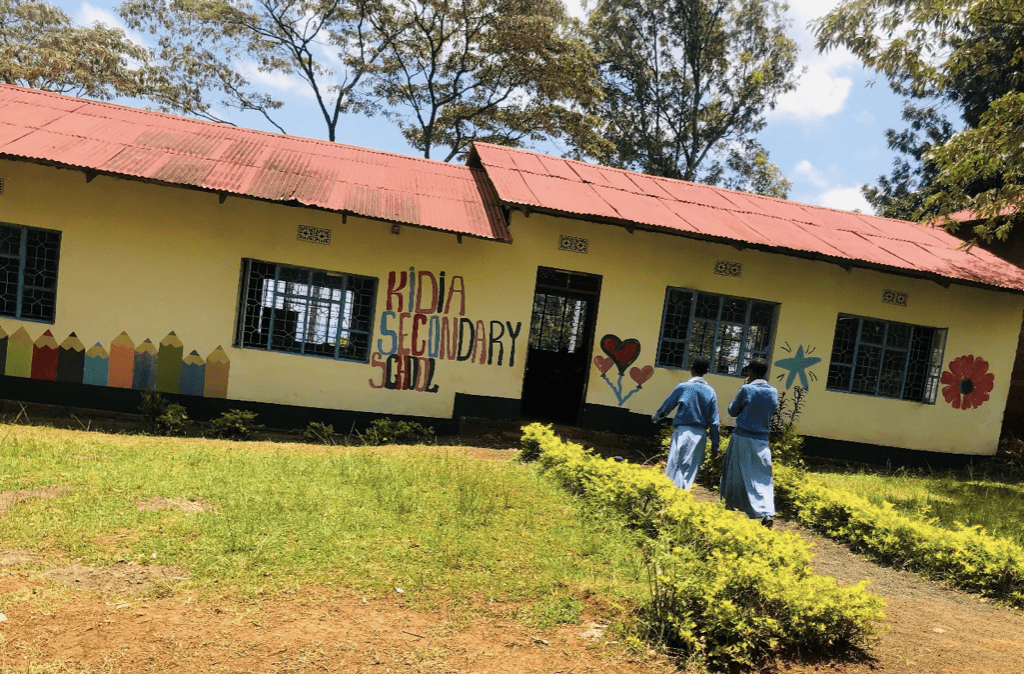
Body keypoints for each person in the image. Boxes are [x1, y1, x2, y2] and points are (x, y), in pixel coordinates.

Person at [720, 357, 779, 527]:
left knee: (735, 474)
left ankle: (730, 507)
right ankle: (766, 512)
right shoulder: (773, 391)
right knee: (763, 477)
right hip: (761, 440)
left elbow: (732, 411)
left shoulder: (746, 389)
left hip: (742, 437)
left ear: (750, 372)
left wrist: (743, 387)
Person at [652, 356, 720, 490]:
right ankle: (682, 496)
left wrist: (656, 417)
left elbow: (667, 406)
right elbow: (714, 422)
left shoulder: (683, 387)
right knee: (690, 470)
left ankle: (670, 497)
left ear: (692, 369)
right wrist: (715, 446)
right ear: (706, 371)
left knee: (674, 465)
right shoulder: (711, 391)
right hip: (700, 435)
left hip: (682, 431)